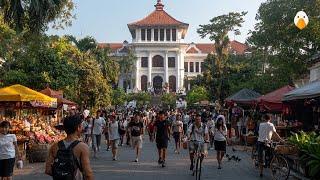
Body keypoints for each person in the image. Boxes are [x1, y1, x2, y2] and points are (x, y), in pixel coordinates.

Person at [45, 115, 94, 180]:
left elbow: (48, 170)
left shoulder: (54, 147)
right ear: (78, 128)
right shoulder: (82, 147)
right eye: (81, 126)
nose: (82, 128)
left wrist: (61, 175)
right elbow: (88, 174)